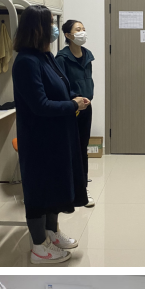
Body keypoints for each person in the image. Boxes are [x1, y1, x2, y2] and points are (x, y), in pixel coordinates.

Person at [11, 5, 89, 264]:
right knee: (39, 191)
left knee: (55, 188)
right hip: (39, 141)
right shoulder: (26, 62)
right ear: (38, 28)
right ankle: (38, 247)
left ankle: (52, 233)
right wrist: (72, 105)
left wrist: (73, 97)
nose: (55, 29)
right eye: (51, 24)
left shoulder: (45, 56)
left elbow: (59, 89)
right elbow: (40, 105)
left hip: (56, 136)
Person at [56, 20, 95, 208]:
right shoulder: (62, 58)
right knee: (71, 148)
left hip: (86, 107)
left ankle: (82, 188)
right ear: (68, 35)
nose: (82, 32)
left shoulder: (87, 55)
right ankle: (69, 190)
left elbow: (88, 81)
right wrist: (75, 99)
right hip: (72, 108)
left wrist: (87, 99)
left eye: (83, 29)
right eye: (78, 29)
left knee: (82, 148)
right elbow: (61, 85)